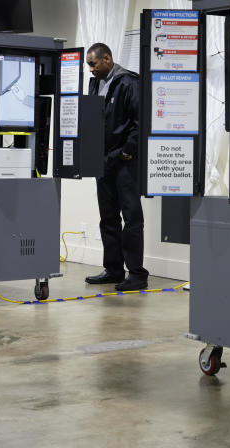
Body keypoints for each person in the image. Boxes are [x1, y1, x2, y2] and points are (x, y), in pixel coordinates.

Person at [84, 43, 149, 291]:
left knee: (132, 218)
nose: (90, 69)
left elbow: (139, 122)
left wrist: (125, 153)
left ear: (107, 59)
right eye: (89, 64)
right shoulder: (95, 83)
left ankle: (137, 273)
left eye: (93, 64)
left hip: (124, 163)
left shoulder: (129, 82)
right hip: (102, 163)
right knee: (108, 218)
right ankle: (113, 270)